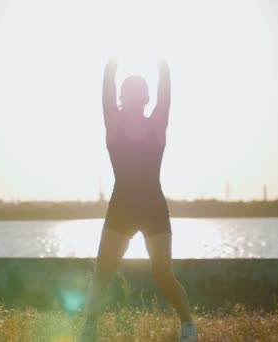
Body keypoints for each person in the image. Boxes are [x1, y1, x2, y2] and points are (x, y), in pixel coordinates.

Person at [80, 58, 197, 342]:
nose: (134, 97)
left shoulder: (156, 125)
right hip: (121, 207)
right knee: (103, 271)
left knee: (162, 273)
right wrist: (110, 66)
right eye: (128, 92)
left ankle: (188, 327)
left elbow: (166, 99)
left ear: (145, 98)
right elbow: (106, 94)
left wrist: (164, 68)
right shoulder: (113, 124)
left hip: (153, 208)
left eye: (139, 92)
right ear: (122, 97)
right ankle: (89, 329)